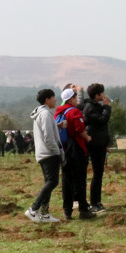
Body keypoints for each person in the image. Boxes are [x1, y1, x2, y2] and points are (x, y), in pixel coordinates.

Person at [24, 88, 64, 223]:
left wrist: (57, 127)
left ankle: (45, 214)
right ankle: (33, 209)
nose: (55, 100)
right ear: (47, 99)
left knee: (49, 182)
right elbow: (48, 137)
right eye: (53, 97)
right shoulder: (46, 114)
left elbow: (46, 131)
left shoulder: (40, 114)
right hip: (49, 153)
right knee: (53, 181)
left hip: (42, 153)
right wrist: (57, 151)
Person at [55, 87, 92, 219]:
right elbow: (79, 130)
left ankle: (67, 211)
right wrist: (88, 138)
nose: (77, 101)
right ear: (71, 99)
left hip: (64, 149)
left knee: (66, 180)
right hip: (76, 148)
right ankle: (83, 210)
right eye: (76, 98)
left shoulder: (58, 112)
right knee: (80, 180)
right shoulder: (74, 112)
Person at [80, 83, 112, 213]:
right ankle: (94, 203)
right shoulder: (90, 108)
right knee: (97, 173)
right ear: (97, 95)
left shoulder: (93, 106)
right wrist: (107, 107)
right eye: (102, 93)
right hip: (95, 144)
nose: (104, 95)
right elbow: (102, 120)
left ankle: (97, 201)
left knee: (99, 173)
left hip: (100, 143)